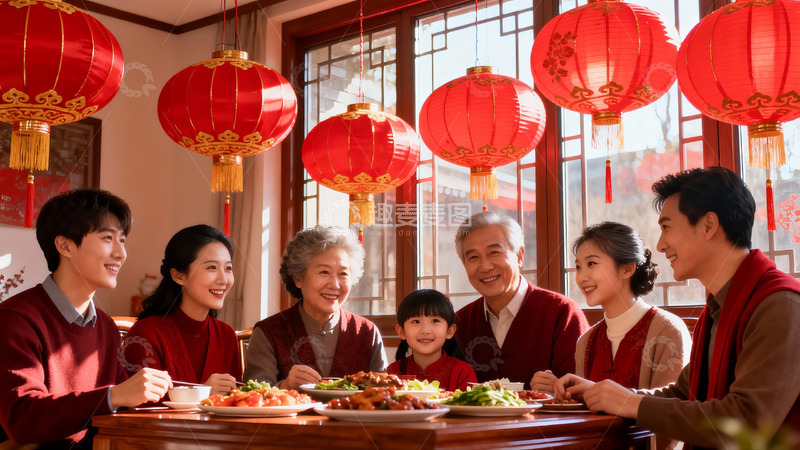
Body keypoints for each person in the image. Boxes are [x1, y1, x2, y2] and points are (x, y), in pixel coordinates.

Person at [554, 167, 800, 449]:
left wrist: (630, 402)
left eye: (666, 227)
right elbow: (684, 393)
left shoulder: (780, 303)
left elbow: (747, 421)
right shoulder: (719, 307)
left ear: (708, 225)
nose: (660, 245)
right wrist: (603, 394)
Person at [0, 189, 172, 448]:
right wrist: (113, 396)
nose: (121, 253)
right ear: (65, 245)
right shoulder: (15, 320)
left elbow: (124, 404)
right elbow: (23, 420)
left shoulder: (106, 326)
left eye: (122, 240)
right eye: (107, 238)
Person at [531, 222, 691, 392]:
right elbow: (587, 412)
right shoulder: (586, 342)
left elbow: (667, 409)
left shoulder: (667, 331)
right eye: (578, 267)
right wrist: (558, 392)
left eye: (591, 263)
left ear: (627, 269)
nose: (581, 277)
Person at [453, 211, 589, 387]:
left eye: (494, 252)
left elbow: (583, 391)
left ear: (519, 256)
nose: (485, 266)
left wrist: (558, 391)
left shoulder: (562, 311)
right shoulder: (460, 322)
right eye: (473, 257)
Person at [243, 225, 388, 389]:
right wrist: (285, 386)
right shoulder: (268, 333)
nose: (334, 284)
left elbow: (383, 394)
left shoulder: (366, 332)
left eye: (343, 274)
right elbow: (252, 396)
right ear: (298, 278)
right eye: (324, 272)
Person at [122, 225, 242, 395]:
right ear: (179, 276)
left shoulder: (226, 335)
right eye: (212, 268)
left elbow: (236, 402)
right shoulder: (145, 334)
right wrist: (201, 393)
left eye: (228, 268)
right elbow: (141, 409)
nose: (224, 279)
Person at [387, 289, 477, 391]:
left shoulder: (463, 372)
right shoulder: (392, 372)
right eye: (416, 321)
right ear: (402, 331)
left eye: (435, 321)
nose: (425, 330)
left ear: (449, 331)